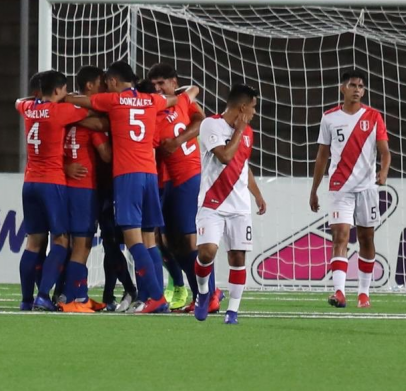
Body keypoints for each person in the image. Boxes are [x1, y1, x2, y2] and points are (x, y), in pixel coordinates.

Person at [65, 61, 198, 313]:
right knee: (149, 239)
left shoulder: (113, 100)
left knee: (131, 238)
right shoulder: (152, 100)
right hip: (150, 175)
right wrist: (187, 93)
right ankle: (152, 297)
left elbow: (78, 101)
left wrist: (56, 101)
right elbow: (176, 99)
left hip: (128, 176)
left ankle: (156, 297)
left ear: (113, 81)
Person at [16, 70, 101, 311]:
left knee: (33, 243)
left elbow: (18, 101)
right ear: (57, 90)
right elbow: (93, 112)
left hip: (29, 182)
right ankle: (44, 295)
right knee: (61, 240)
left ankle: (26, 300)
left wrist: (37, 101)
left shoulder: (28, 108)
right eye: (64, 90)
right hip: (52, 182)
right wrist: (70, 100)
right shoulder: (61, 111)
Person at [309, 70, 391, 309]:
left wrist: (384, 171)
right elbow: (322, 155)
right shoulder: (329, 118)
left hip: (367, 188)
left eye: (361, 86)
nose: (357, 90)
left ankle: (364, 293)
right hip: (340, 187)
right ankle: (339, 292)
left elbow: (385, 152)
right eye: (353, 85)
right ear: (342, 88)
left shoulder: (373, 117)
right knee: (340, 236)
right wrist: (314, 189)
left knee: (366, 238)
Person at [194, 84, 267, 325]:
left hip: (239, 207)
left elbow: (242, 166)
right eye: (253, 107)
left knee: (238, 258)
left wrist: (257, 194)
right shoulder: (211, 124)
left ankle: (232, 312)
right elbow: (225, 157)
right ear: (242, 107)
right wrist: (240, 131)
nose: (254, 112)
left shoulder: (248, 132)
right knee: (207, 252)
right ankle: (203, 292)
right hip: (212, 203)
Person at [149, 63, 208, 312]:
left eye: (161, 83)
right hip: (164, 178)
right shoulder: (176, 102)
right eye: (153, 85)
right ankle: (188, 287)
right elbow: (193, 92)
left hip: (185, 175)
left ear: (173, 82)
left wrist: (178, 140)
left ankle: (205, 292)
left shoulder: (179, 104)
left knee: (186, 240)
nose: (157, 88)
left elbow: (201, 120)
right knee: (166, 241)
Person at [60, 66, 112, 313]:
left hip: (63, 186)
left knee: (68, 244)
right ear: (90, 86)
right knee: (82, 245)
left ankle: (78, 295)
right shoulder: (91, 123)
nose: (105, 86)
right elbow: (106, 155)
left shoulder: (63, 115)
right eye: (101, 82)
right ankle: (71, 298)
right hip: (84, 188)